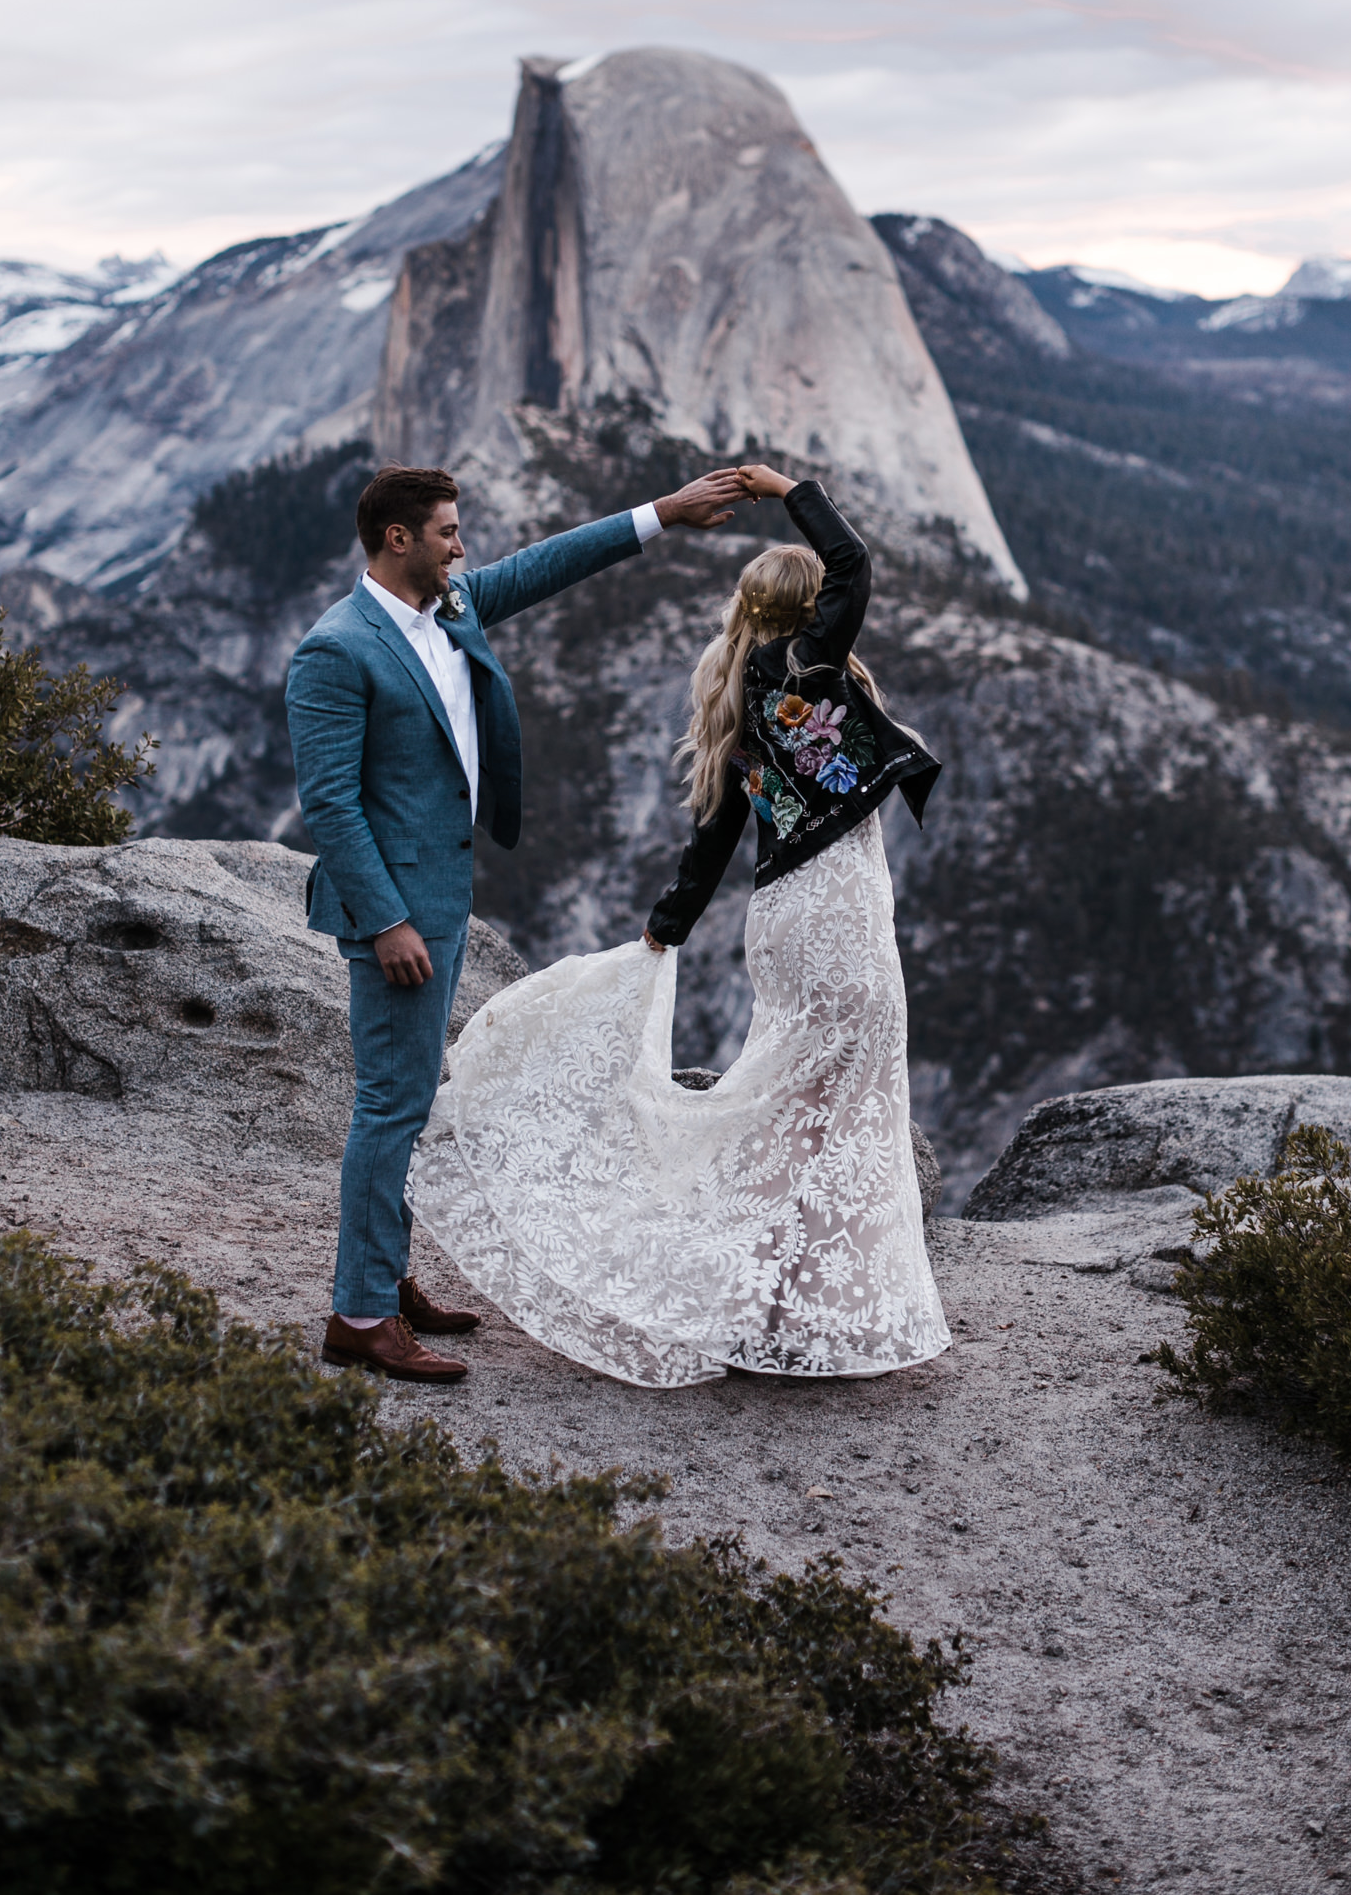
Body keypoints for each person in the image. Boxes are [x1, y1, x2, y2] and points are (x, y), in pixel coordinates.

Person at [405, 465, 951, 1388]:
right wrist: (793, 489)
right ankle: (794, 1305)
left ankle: (766, 1294)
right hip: (836, 914)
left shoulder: (741, 702)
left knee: (791, 1106)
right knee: (835, 1106)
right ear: (809, 614)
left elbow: (714, 840)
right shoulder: (805, 668)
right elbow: (853, 560)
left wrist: (665, 931)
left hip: (777, 919)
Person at [285, 459, 745, 1384]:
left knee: (408, 1101)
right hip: (400, 916)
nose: (463, 545)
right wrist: (386, 923)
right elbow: (329, 805)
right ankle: (361, 1314)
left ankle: (384, 1275)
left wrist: (665, 511)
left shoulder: (448, 608)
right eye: (448, 531)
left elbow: (546, 565)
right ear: (398, 539)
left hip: (442, 896)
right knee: (390, 1106)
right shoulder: (335, 650)